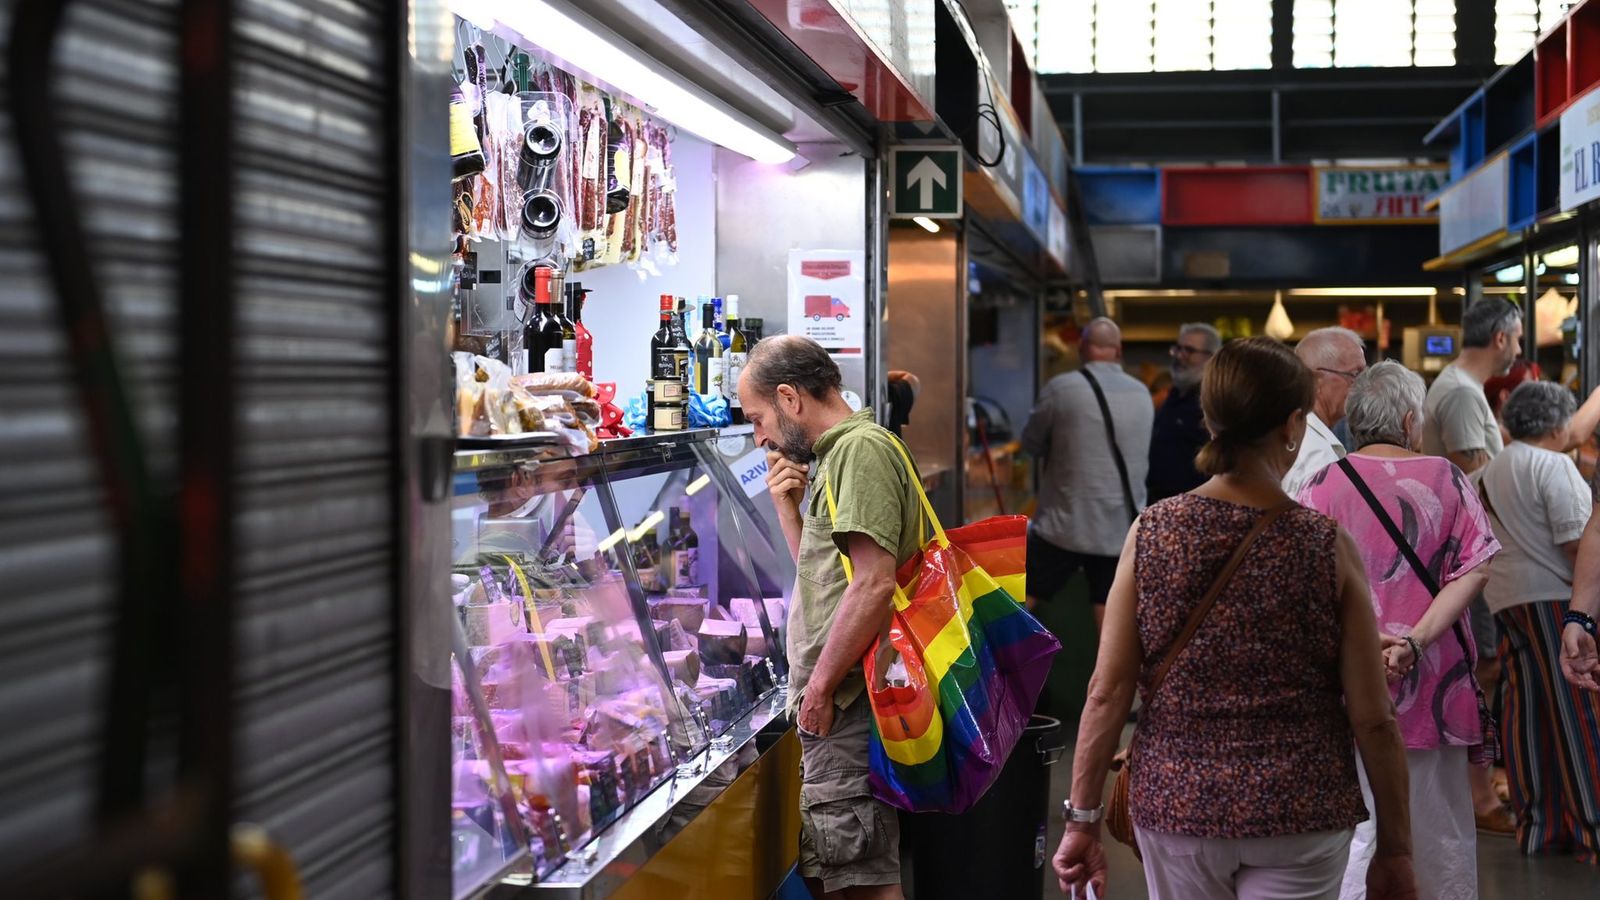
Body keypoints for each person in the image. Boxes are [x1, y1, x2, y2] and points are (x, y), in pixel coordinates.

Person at [1053, 337, 1417, 900]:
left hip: (1178, 805)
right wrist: (1395, 848)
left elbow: (1107, 692)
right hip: (1302, 808)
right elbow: (1374, 718)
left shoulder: (1152, 533)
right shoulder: (1326, 545)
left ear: (1209, 417)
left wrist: (1081, 820)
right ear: (1294, 425)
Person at [1295, 361, 1500, 900]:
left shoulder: (1320, 486)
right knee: (1440, 832)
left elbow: (1304, 590)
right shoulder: (1445, 478)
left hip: (1347, 688)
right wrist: (1415, 641)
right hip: (1436, 687)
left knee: (1356, 830)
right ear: (1411, 419)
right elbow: (1476, 567)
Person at [738, 335, 920, 900]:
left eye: (758, 417)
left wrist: (816, 688)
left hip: (846, 703)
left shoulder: (858, 452)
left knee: (863, 884)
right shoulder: (834, 457)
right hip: (838, 704)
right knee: (842, 878)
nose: (759, 436)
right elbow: (828, 581)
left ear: (790, 398)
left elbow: (872, 584)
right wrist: (788, 511)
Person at [1479, 381, 1600, 865]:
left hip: (1504, 600)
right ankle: (1593, 827)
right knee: (1578, 715)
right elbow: (1578, 541)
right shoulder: (1551, 465)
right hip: (1555, 599)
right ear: (1556, 425)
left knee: (1525, 712)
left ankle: (1539, 826)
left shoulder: (1488, 471)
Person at [1021, 317, 1154, 629]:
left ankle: (999, 671)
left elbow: (1031, 442)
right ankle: (1110, 677)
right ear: (1118, 351)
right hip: (1118, 529)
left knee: (1023, 601)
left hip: (1063, 527)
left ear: (1081, 348)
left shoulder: (1060, 389)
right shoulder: (1143, 394)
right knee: (1108, 615)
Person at [1281, 327, 1368, 498]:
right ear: (1316, 380)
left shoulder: (1301, 436)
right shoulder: (1316, 455)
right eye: (1355, 374)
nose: (1364, 386)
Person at [1147, 322, 1221, 502]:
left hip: (1196, 508)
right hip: (1162, 504)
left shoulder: (1214, 400)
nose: (1180, 356)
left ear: (1210, 357)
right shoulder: (1173, 395)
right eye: (1178, 348)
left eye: (1189, 350)